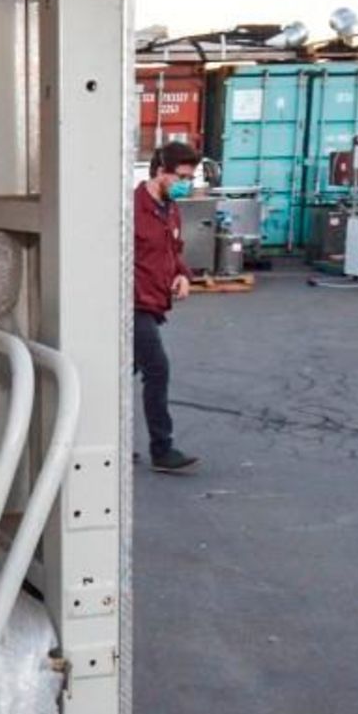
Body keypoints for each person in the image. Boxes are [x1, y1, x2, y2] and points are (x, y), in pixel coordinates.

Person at [134, 140, 200, 473]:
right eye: (182, 177)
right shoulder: (131, 207)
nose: (186, 184)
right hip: (133, 304)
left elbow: (174, 249)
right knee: (157, 369)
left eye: (190, 178)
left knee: (121, 374)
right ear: (161, 171)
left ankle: (108, 439)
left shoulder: (170, 209)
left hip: (154, 301)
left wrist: (182, 275)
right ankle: (162, 448)